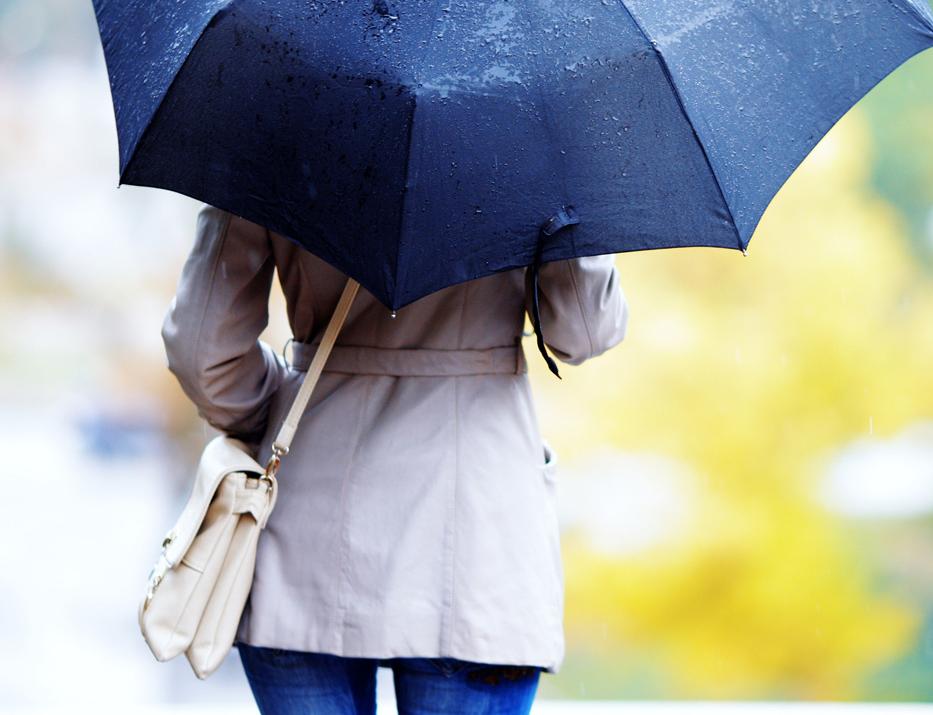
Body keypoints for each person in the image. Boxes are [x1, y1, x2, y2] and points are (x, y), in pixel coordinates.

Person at [163, 205, 628, 715]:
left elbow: (203, 351)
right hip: (480, 538)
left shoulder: (267, 132)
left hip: (303, 535)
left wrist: (284, 409)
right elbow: (583, 331)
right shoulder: (537, 145)